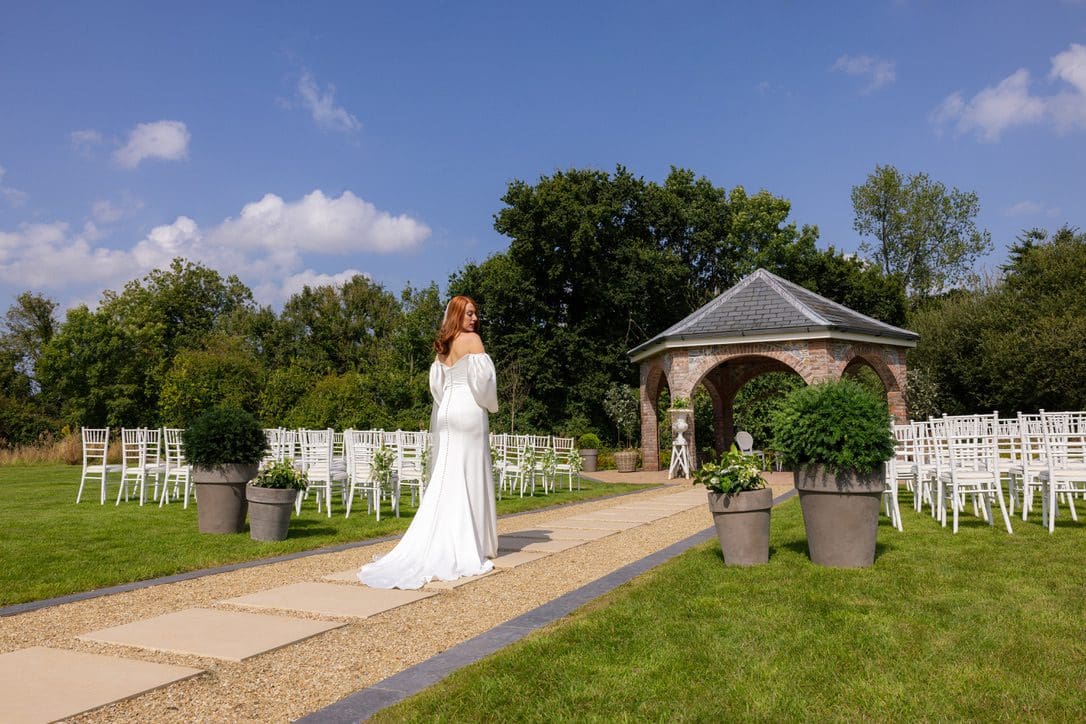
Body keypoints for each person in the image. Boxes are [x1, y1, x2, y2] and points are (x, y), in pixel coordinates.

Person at [358, 295, 499, 589]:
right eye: (470, 313)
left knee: (447, 477)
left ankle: (440, 537)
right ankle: (469, 543)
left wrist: (449, 401)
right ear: (457, 315)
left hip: (447, 413)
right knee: (470, 474)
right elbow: (484, 385)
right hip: (468, 413)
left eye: (475, 314)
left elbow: (437, 387)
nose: (475, 319)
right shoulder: (473, 341)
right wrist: (488, 405)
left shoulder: (442, 349)